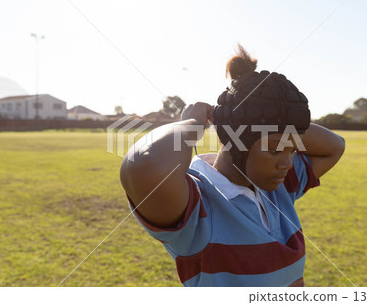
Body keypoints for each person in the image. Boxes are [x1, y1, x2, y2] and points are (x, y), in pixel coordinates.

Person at [120, 45, 345, 287]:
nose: (287, 163)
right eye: (275, 149)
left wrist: (273, 112)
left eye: (294, 149)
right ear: (236, 142)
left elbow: (335, 146)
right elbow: (146, 164)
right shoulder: (196, 204)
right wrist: (193, 122)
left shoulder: (279, 187)